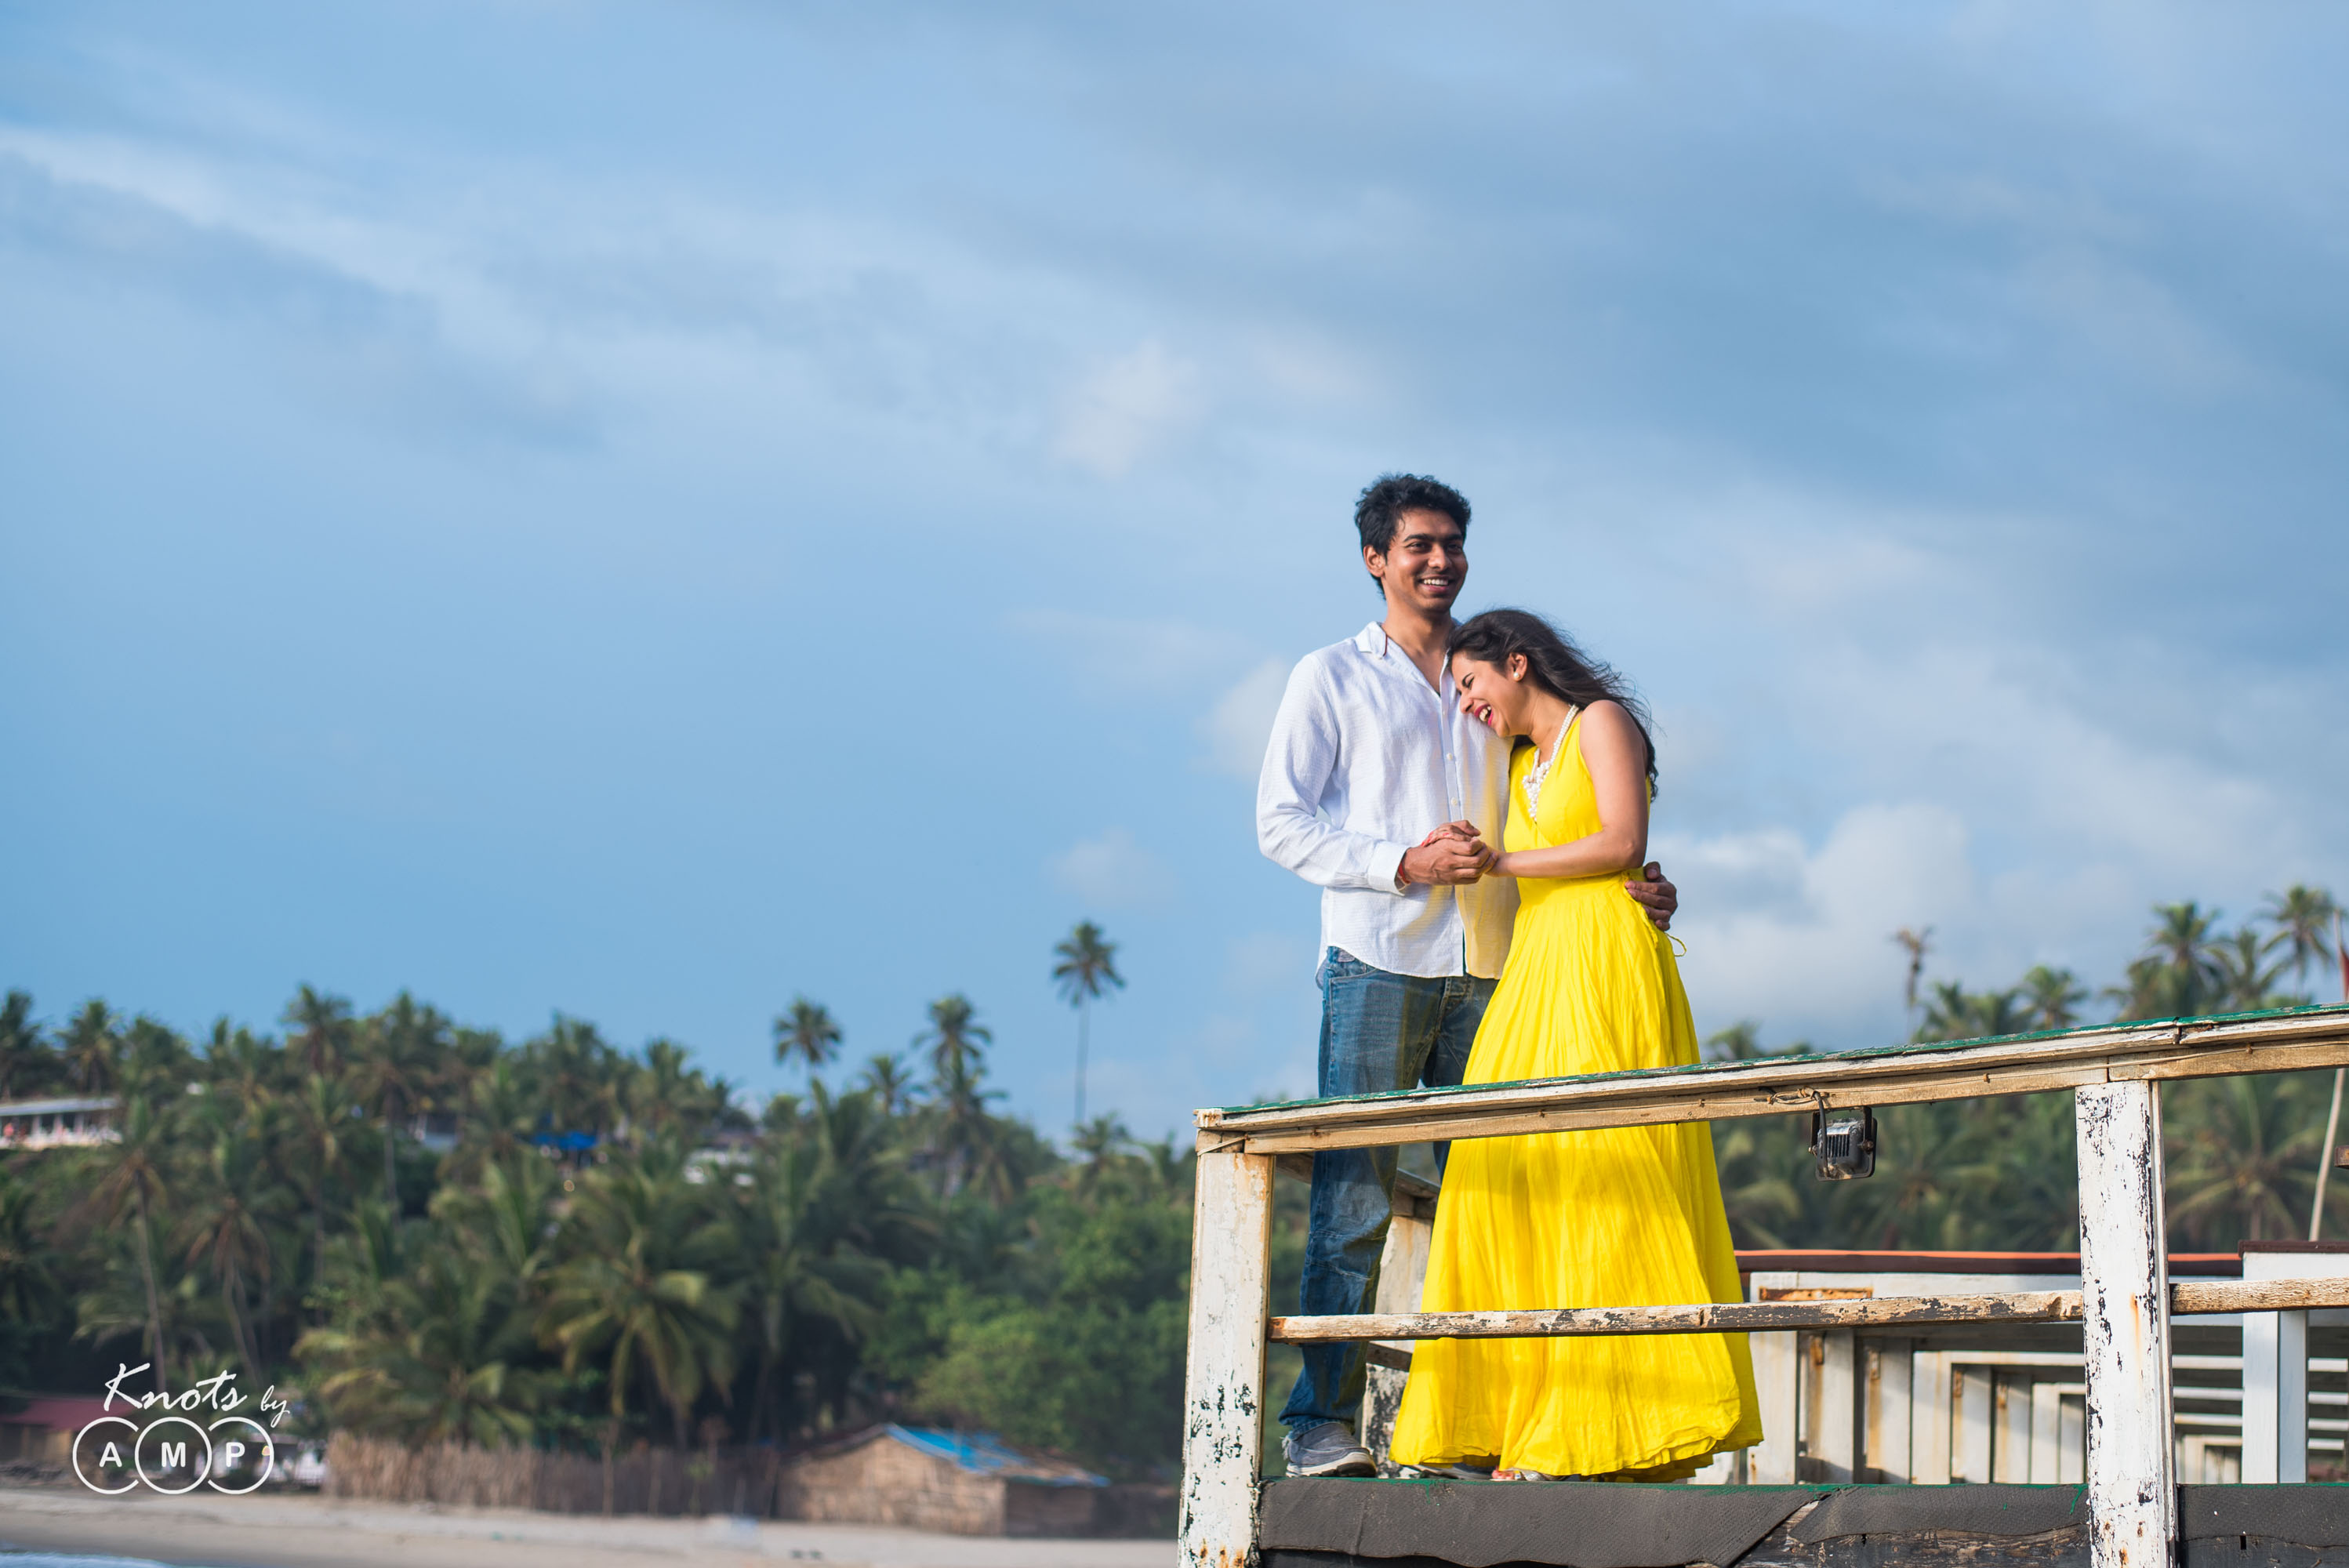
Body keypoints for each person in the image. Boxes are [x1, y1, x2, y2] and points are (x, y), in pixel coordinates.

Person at [1256, 475, 1679, 1479]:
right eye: (1417, 546)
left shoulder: (1488, 676)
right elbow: (1280, 822)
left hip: (1502, 967)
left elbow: (1574, 799)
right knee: (1351, 1198)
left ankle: (1472, 1429)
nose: (1438, 560)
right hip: (1380, 957)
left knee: (1494, 1205)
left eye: (1452, 543)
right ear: (1374, 559)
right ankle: (1319, 1421)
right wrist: (1403, 860)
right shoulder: (1328, 675)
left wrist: (1637, 878)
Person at [1386, 608, 1758, 1481]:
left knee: (1604, 1161)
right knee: (1499, 1167)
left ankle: (1597, 1425)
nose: (1468, 701)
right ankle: (1511, 1419)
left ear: (1516, 662)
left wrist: (1500, 866)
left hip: (1604, 954)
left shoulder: (1602, 723)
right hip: (1536, 963)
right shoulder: (1517, 763)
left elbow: (1623, 842)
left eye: (1473, 682)